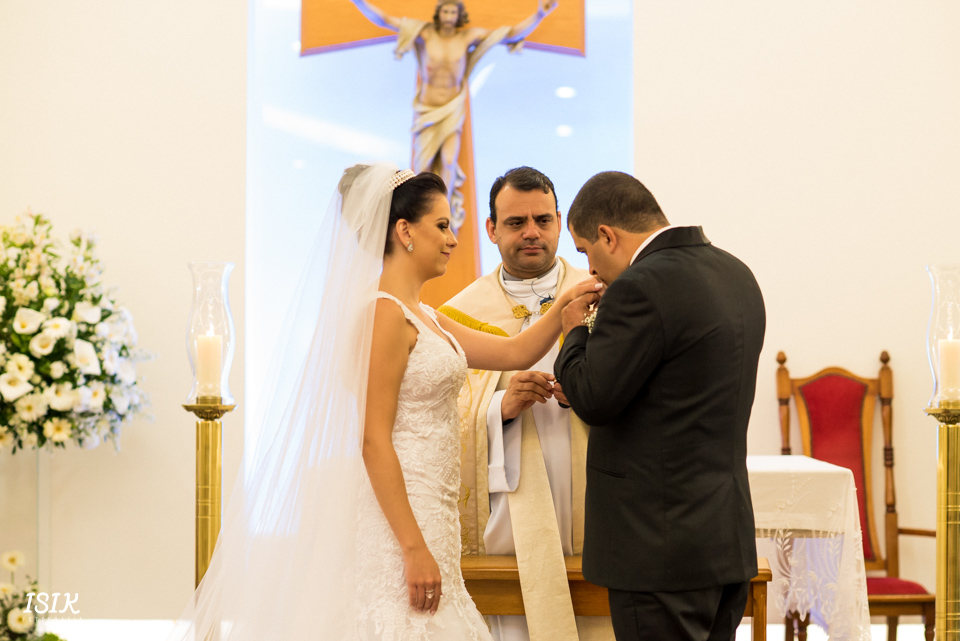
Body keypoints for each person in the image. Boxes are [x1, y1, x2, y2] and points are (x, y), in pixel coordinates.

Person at [167, 163, 601, 641]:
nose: (453, 240)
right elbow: (374, 440)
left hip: (435, 516)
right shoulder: (384, 315)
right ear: (403, 231)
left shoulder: (425, 316)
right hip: (401, 521)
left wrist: (567, 305)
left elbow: (513, 352)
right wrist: (413, 547)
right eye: (441, 226)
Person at [554, 171, 765, 641]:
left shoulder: (640, 286)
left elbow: (593, 398)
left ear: (607, 235)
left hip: (657, 550)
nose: (590, 269)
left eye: (587, 251)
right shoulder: (736, 272)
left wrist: (575, 333)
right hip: (723, 540)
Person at [438, 166, 612, 641]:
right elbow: (436, 415)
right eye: (516, 223)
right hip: (510, 496)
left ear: (559, 221)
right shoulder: (461, 312)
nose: (531, 232)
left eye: (542, 219)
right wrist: (499, 408)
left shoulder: (609, 293)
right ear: (491, 229)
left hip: (597, 484)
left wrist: (591, 390)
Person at [348, 0, 558, 234]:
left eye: (453, 12)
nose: (449, 15)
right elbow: (385, 19)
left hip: (451, 110)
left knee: (448, 161)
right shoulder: (424, 33)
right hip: (427, 111)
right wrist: (360, 2)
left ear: (459, 16)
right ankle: (419, 214)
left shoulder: (466, 38)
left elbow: (508, 34)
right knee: (423, 168)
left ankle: (441, 213)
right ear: (439, 14)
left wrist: (539, 15)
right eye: (445, 11)